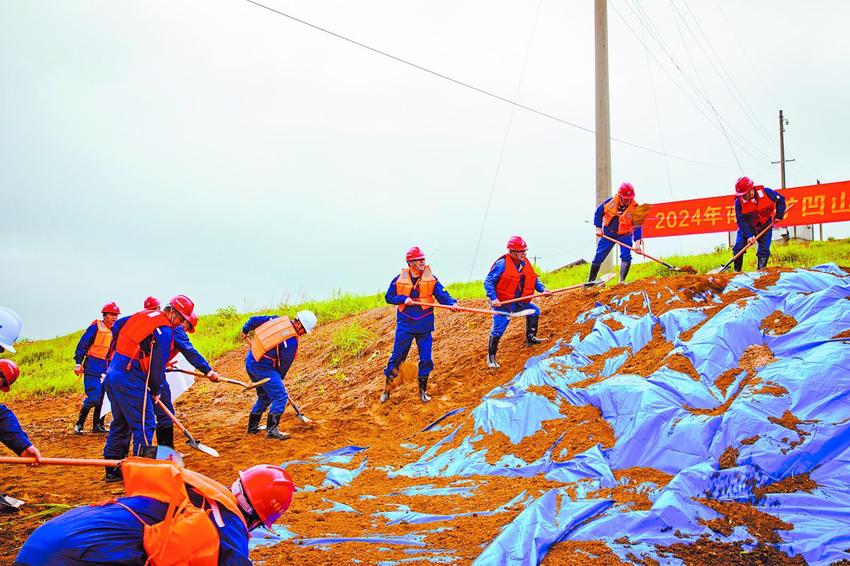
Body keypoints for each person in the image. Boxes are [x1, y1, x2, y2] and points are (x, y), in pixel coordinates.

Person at [16, 457, 295, 565]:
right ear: (258, 519)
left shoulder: (197, 491)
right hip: (72, 558)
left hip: (42, 541)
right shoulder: (230, 526)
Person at [102, 295, 195, 482]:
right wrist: (155, 389)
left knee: (121, 423)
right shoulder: (164, 330)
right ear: (173, 313)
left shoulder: (144, 315)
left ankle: (112, 469)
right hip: (130, 379)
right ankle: (139, 473)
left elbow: (118, 326)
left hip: (114, 373)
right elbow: (157, 366)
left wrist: (127, 350)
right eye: (181, 319)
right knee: (145, 424)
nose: (180, 324)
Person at [382, 246, 458, 403]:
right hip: (405, 326)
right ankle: (387, 390)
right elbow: (388, 297)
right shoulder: (398, 279)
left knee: (426, 359)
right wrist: (403, 299)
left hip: (424, 326)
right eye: (419, 260)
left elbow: (443, 295)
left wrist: (452, 304)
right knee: (397, 358)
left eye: (423, 259)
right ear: (411, 262)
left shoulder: (431, 279)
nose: (423, 262)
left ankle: (422, 392)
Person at [242, 310, 317, 440]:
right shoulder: (291, 341)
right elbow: (283, 367)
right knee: (280, 396)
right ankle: (272, 430)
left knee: (264, 396)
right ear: (299, 324)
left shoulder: (277, 319)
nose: (303, 334)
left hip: (251, 360)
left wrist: (245, 330)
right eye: (304, 331)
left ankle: (252, 428)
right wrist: (278, 381)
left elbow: (253, 321)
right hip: (262, 368)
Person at [154, 311, 221, 448]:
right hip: (152, 376)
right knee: (164, 415)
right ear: (182, 320)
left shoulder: (161, 325)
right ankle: (165, 453)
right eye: (187, 326)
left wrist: (163, 364)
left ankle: (163, 452)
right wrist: (209, 371)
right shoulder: (177, 329)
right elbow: (190, 352)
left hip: (145, 372)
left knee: (146, 415)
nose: (185, 330)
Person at [484, 237, 548, 369]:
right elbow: (488, 282)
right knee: (498, 330)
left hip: (519, 302)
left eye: (524, 250)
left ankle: (531, 338)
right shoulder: (502, 264)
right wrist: (493, 298)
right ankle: (491, 358)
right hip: (503, 304)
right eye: (520, 251)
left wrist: (542, 289)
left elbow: (533, 278)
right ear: (512, 252)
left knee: (534, 311)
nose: (524, 253)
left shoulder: (525, 263)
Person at [72, 302, 120, 434]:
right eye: (111, 315)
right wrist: (78, 362)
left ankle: (98, 425)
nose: (114, 318)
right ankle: (79, 423)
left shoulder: (117, 329)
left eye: (116, 315)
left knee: (104, 399)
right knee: (94, 397)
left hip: (108, 367)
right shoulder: (95, 327)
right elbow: (83, 344)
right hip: (93, 367)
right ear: (104, 315)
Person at [588, 182, 644, 284]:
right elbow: (598, 213)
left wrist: (637, 244)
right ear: (620, 196)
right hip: (609, 234)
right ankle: (590, 281)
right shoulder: (610, 202)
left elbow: (637, 227)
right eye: (626, 199)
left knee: (626, 256)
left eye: (630, 198)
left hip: (625, 235)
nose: (628, 201)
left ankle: (621, 281)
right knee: (599, 256)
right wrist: (598, 228)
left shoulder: (636, 208)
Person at [732, 176, 787, 271]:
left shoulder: (767, 193)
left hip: (765, 225)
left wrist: (779, 215)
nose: (743, 196)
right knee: (738, 248)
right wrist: (749, 235)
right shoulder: (739, 202)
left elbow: (781, 199)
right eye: (742, 194)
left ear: (751, 189)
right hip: (747, 226)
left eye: (745, 194)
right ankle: (736, 272)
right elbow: (741, 220)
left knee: (764, 250)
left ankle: (761, 273)